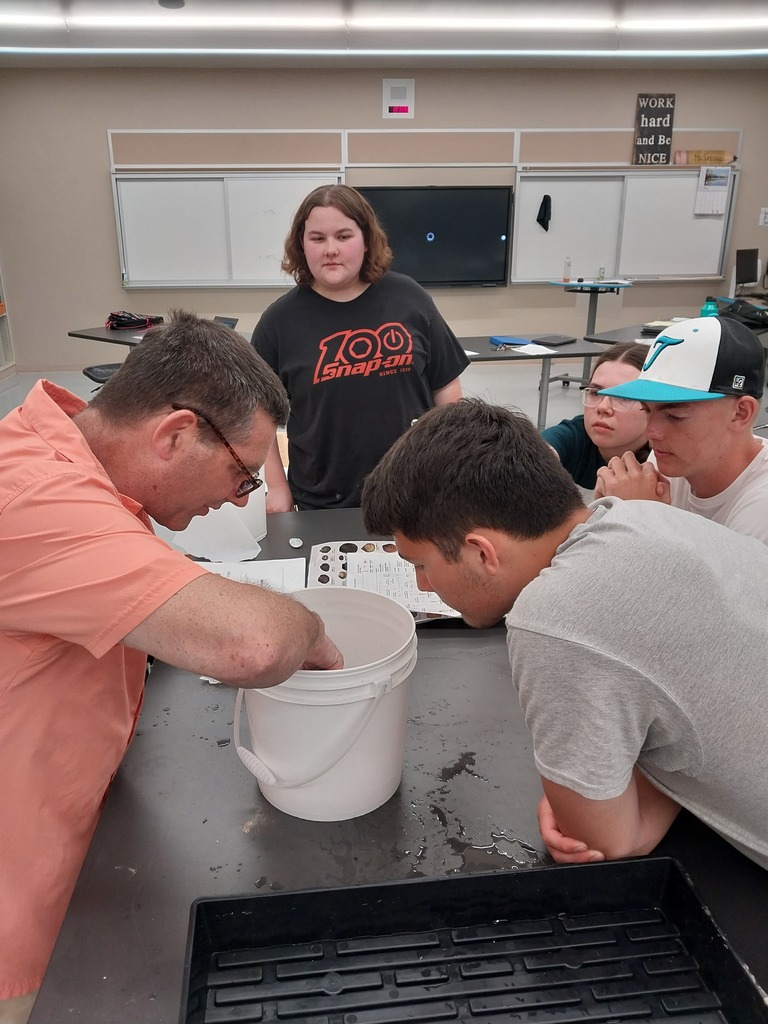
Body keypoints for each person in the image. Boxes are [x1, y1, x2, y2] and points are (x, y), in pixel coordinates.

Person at [0, 311, 343, 1016]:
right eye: (241, 476)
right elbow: (252, 644)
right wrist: (310, 628)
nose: (236, 497)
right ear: (175, 434)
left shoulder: (65, 458)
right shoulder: (35, 498)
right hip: (19, 898)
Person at [361, 398, 768, 871]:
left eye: (422, 566)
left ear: (481, 553)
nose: (421, 585)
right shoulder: (643, 516)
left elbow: (604, 840)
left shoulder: (554, 619)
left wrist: (610, 794)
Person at [251, 183, 469, 511]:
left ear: (366, 240)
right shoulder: (278, 322)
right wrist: (277, 488)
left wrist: (448, 466)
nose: (330, 249)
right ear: (302, 244)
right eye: (317, 238)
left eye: (343, 236)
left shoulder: (410, 298)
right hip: (322, 501)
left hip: (413, 490)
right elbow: (257, 415)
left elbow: (447, 390)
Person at [594, 315, 768, 544]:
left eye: (675, 416)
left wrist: (641, 518)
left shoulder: (760, 507)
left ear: (740, 413)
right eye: (647, 411)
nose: (651, 433)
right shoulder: (672, 458)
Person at [541, 342, 650, 489]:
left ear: (654, 406)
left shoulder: (670, 459)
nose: (603, 407)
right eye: (595, 393)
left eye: (624, 397)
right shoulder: (574, 436)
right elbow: (536, 453)